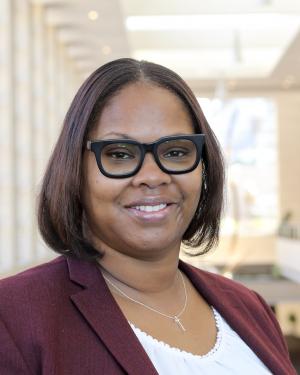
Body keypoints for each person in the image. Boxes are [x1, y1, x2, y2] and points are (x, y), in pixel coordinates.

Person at [0, 58, 296, 375]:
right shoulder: (15, 316)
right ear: (75, 169)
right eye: (119, 154)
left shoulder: (249, 306)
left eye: (176, 151)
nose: (153, 176)